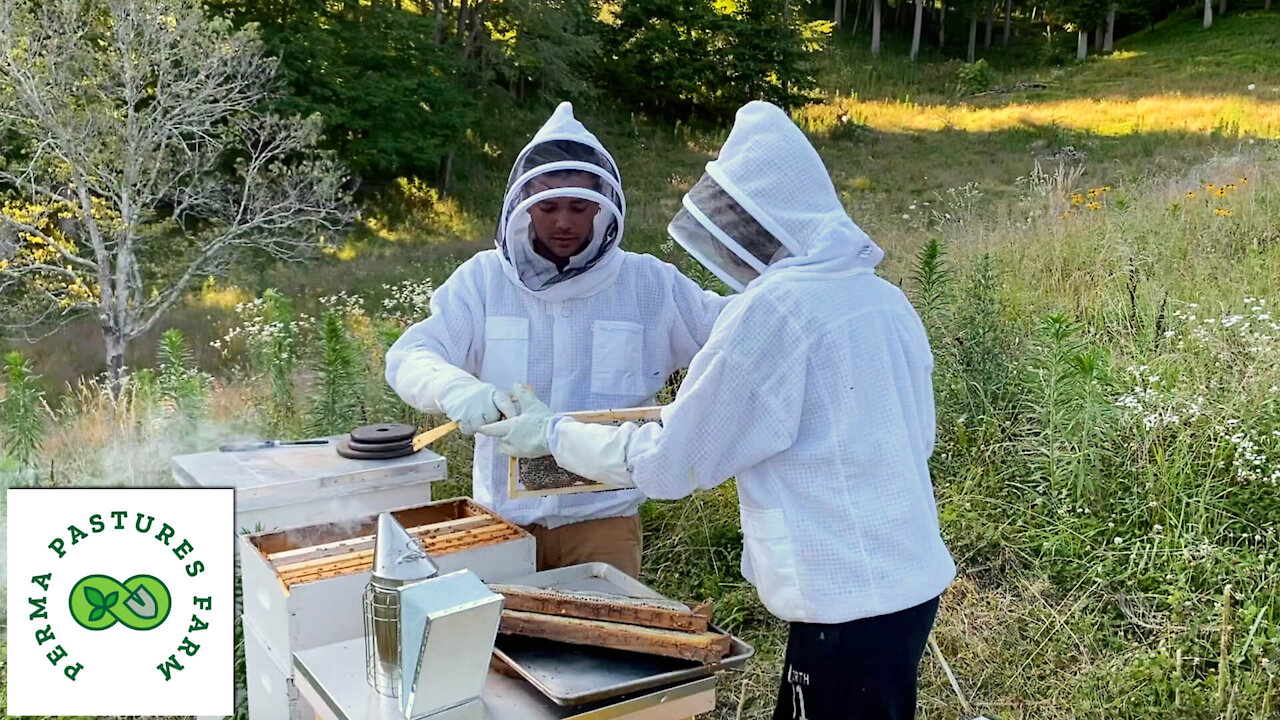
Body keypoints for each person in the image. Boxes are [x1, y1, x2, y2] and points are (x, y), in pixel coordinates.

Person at [479, 101, 956, 719]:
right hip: (907, 584)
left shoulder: (776, 311)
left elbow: (673, 463)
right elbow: (919, 438)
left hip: (845, 595)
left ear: (761, 221)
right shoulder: (881, 299)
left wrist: (554, 434)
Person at [385, 102, 728, 578]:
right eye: (548, 207)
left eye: (578, 207)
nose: (563, 222)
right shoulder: (482, 280)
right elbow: (410, 356)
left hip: (603, 522)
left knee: (606, 647)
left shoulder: (649, 283)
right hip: (504, 523)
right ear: (523, 205)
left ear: (603, 204)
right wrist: (455, 388)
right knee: (505, 648)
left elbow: (734, 338)